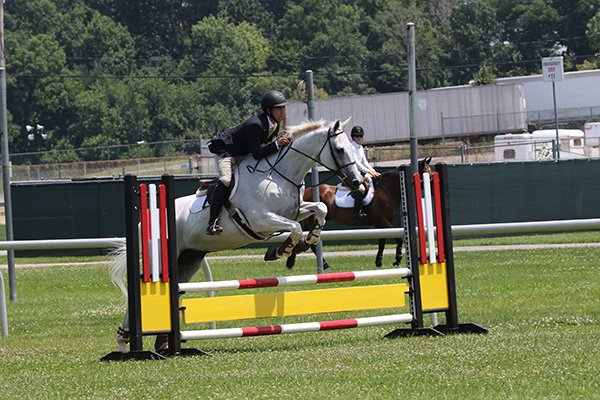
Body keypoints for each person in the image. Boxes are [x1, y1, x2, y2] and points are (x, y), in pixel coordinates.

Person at [205, 90, 291, 235]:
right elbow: (257, 153)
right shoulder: (255, 125)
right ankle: (212, 222)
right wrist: (277, 144)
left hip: (244, 154)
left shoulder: (274, 125)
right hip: (227, 153)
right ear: (268, 110)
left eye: (283, 108)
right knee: (226, 180)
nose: (282, 112)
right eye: (279, 108)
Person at [350, 126, 381, 220]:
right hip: (352, 174)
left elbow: (364, 161)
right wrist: (369, 171)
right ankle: (356, 213)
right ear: (353, 137)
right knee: (361, 189)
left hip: (359, 173)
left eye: (360, 136)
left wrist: (373, 171)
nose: (359, 138)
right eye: (356, 136)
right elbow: (356, 163)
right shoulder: (351, 147)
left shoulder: (360, 147)